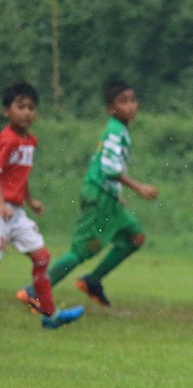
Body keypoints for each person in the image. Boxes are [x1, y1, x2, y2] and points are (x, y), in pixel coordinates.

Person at [21, 80, 159, 308]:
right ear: (110, 109)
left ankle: (92, 281)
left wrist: (116, 193)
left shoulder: (119, 130)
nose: (131, 105)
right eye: (123, 101)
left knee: (135, 237)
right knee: (80, 251)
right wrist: (138, 187)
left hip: (108, 197)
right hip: (99, 197)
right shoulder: (115, 131)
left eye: (133, 100)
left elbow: (101, 163)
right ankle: (34, 291)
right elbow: (109, 167)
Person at [3, 82, 84, 329]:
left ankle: (50, 314)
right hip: (2, 210)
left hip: (15, 213)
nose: (27, 112)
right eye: (20, 107)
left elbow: (18, 176)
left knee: (41, 257)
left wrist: (30, 201)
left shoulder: (29, 141)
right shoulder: (7, 140)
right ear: (6, 111)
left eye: (31, 107)